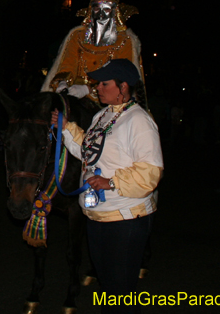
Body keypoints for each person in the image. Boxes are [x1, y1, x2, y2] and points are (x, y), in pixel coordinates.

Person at [52, 59, 163, 312]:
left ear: (123, 87)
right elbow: (88, 151)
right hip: (96, 217)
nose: (97, 88)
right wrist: (65, 126)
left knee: (119, 291)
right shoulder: (102, 115)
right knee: (109, 287)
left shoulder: (139, 121)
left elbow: (150, 173)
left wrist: (110, 182)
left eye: (104, 83)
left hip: (125, 220)